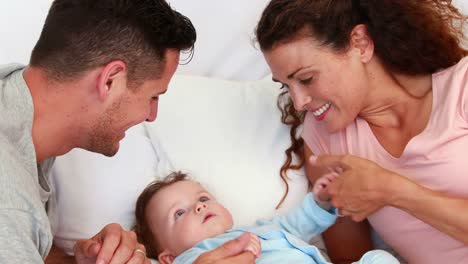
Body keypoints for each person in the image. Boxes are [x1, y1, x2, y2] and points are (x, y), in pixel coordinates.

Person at [0, 1, 255, 263]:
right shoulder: (9, 203)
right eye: (153, 96)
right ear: (111, 81)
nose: (151, 115)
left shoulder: (19, 101)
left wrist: (81, 260)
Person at [255, 0, 468, 263]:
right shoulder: (326, 139)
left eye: (306, 79)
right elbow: (353, 259)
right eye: (286, 86)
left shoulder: (462, 88)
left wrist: (392, 190)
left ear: (360, 43)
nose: (299, 103)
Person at [133, 171, 399, 264]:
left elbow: (297, 222)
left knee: (379, 259)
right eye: (179, 213)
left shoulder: (262, 229)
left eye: (202, 199)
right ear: (168, 257)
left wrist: (322, 200)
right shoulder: (190, 259)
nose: (199, 207)